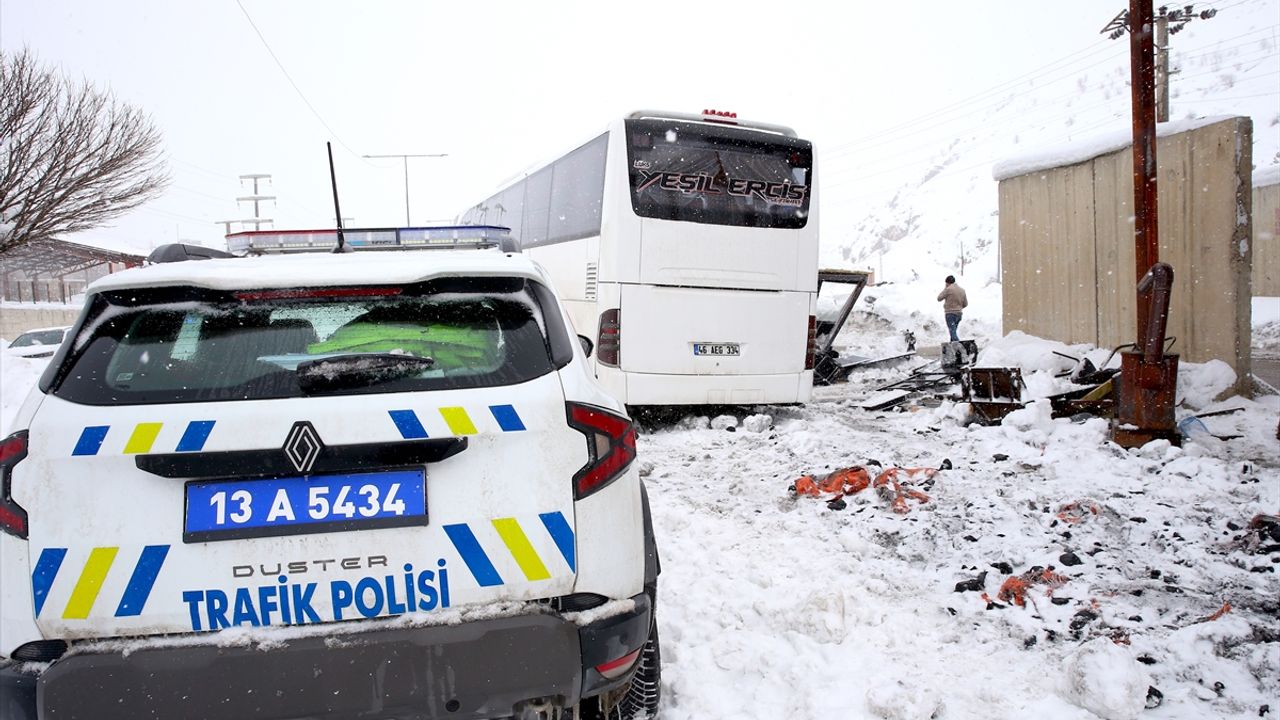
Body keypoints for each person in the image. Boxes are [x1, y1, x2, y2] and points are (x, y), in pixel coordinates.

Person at [937, 275, 968, 342]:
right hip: (959, 314)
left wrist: (945, 288)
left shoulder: (948, 289)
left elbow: (939, 298)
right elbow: (965, 304)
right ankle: (953, 345)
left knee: (952, 332)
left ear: (947, 282)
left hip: (950, 314)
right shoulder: (962, 290)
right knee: (953, 331)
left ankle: (959, 345)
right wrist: (958, 307)